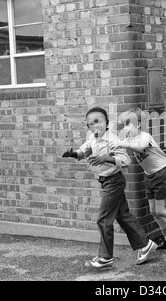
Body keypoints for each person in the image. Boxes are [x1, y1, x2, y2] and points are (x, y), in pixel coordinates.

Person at [62, 107, 158, 269]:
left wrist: (107, 158)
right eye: (90, 124)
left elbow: (126, 160)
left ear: (107, 123)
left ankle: (106, 257)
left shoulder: (112, 140)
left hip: (114, 182)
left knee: (104, 218)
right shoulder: (92, 139)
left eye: (98, 121)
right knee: (123, 215)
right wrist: (73, 154)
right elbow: (83, 151)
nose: (94, 126)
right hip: (107, 181)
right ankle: (145, 243)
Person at [109, 108, 166, 250]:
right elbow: (121, 147)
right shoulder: (129, 139)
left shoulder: (145, 136)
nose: (125, 129)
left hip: (160, 174)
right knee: (154, 211)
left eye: (128, 125)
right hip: (149, 176)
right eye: (123, 125)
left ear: (138, 125)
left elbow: (139, 148)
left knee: (161, 210)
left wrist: (123, 143)